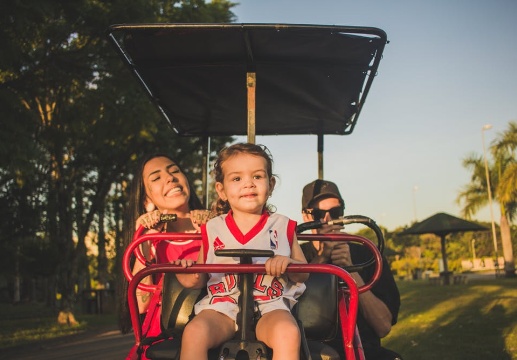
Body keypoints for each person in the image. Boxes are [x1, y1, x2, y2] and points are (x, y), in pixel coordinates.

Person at [175, 143, 309, 360]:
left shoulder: (283, 226)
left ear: (271, 184)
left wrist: (289, 262)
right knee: (194, 332)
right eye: (237, 179)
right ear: (222, 190)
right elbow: (198, 279)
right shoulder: (212, 228)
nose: (248, 184)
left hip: (270, 307)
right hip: (222, 307)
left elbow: (303, 273)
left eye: (257, 176)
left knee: (288, 333)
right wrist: (187, 271)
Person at [300, 179, 402, 360]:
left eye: (335, 212)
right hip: (310, 349)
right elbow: (294, 307)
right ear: (306, 217)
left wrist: (350, 270)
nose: (327, 220)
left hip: (363, 348)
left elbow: (383, 327)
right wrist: (322, 258)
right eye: (318, 214)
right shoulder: (296, 256)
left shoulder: (368, 254)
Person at [118, 153, 213, 337]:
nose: (170, 178)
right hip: (167, 332)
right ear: (147, 200)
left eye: (175, 171)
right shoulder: (151, 242)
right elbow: (141, 305)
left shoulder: (214, 227)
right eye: (156, 178)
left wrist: (213, 227)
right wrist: (145, 238)